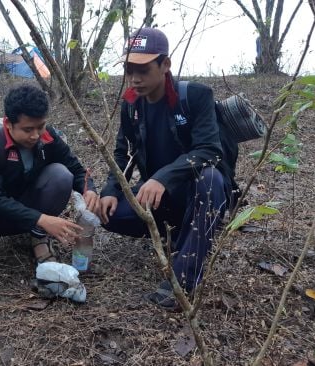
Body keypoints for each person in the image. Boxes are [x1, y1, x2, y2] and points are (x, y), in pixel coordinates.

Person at [99, 28, 230, 311]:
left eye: (143, 69)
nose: (135, 78)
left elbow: (210, 150)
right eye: (129, 69)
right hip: (159, 197)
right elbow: (123, 151)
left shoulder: (195, 96)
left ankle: (182, 279)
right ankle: (180, 234)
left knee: (210, 179)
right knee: (109, 215)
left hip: (195, 190)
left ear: (165, 65)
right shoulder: (131, 104)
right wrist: (109, 190)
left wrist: (163, 177)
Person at [0, 85, 100, 270]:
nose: (36, 135)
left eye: (40, 126)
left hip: (30, 204)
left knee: (61, 175)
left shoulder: (47, 137)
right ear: (8, 123)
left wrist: (89, 189)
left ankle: (38, 238)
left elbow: (76, 169)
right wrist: (42, 219)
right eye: (27, 129)